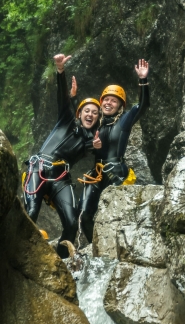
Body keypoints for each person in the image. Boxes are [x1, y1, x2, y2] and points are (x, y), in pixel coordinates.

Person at [24, 54, 101, 258]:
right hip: (39, 168)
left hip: (61, 179)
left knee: (71, 222)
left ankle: (60, 261)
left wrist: (99, 147)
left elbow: (108, 147)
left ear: (97, 119)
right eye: (87, 110)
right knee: (31, 213)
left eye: (95, 112)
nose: (90, 114)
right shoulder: (67, 120)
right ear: (79, 113)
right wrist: (60, 70)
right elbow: (63, 99)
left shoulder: (91, 142)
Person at [79, 59, 150, 242]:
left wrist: (143, 80)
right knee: (84, 216)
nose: (109, 103)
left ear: (120, 106)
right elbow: (79, 136)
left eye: (114, 101)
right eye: (106, 100)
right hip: (96, 174)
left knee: (117, 217)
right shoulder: (95, 122)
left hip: (116, 172)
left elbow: (142, 105)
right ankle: (98, 248)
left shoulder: (124, 121)